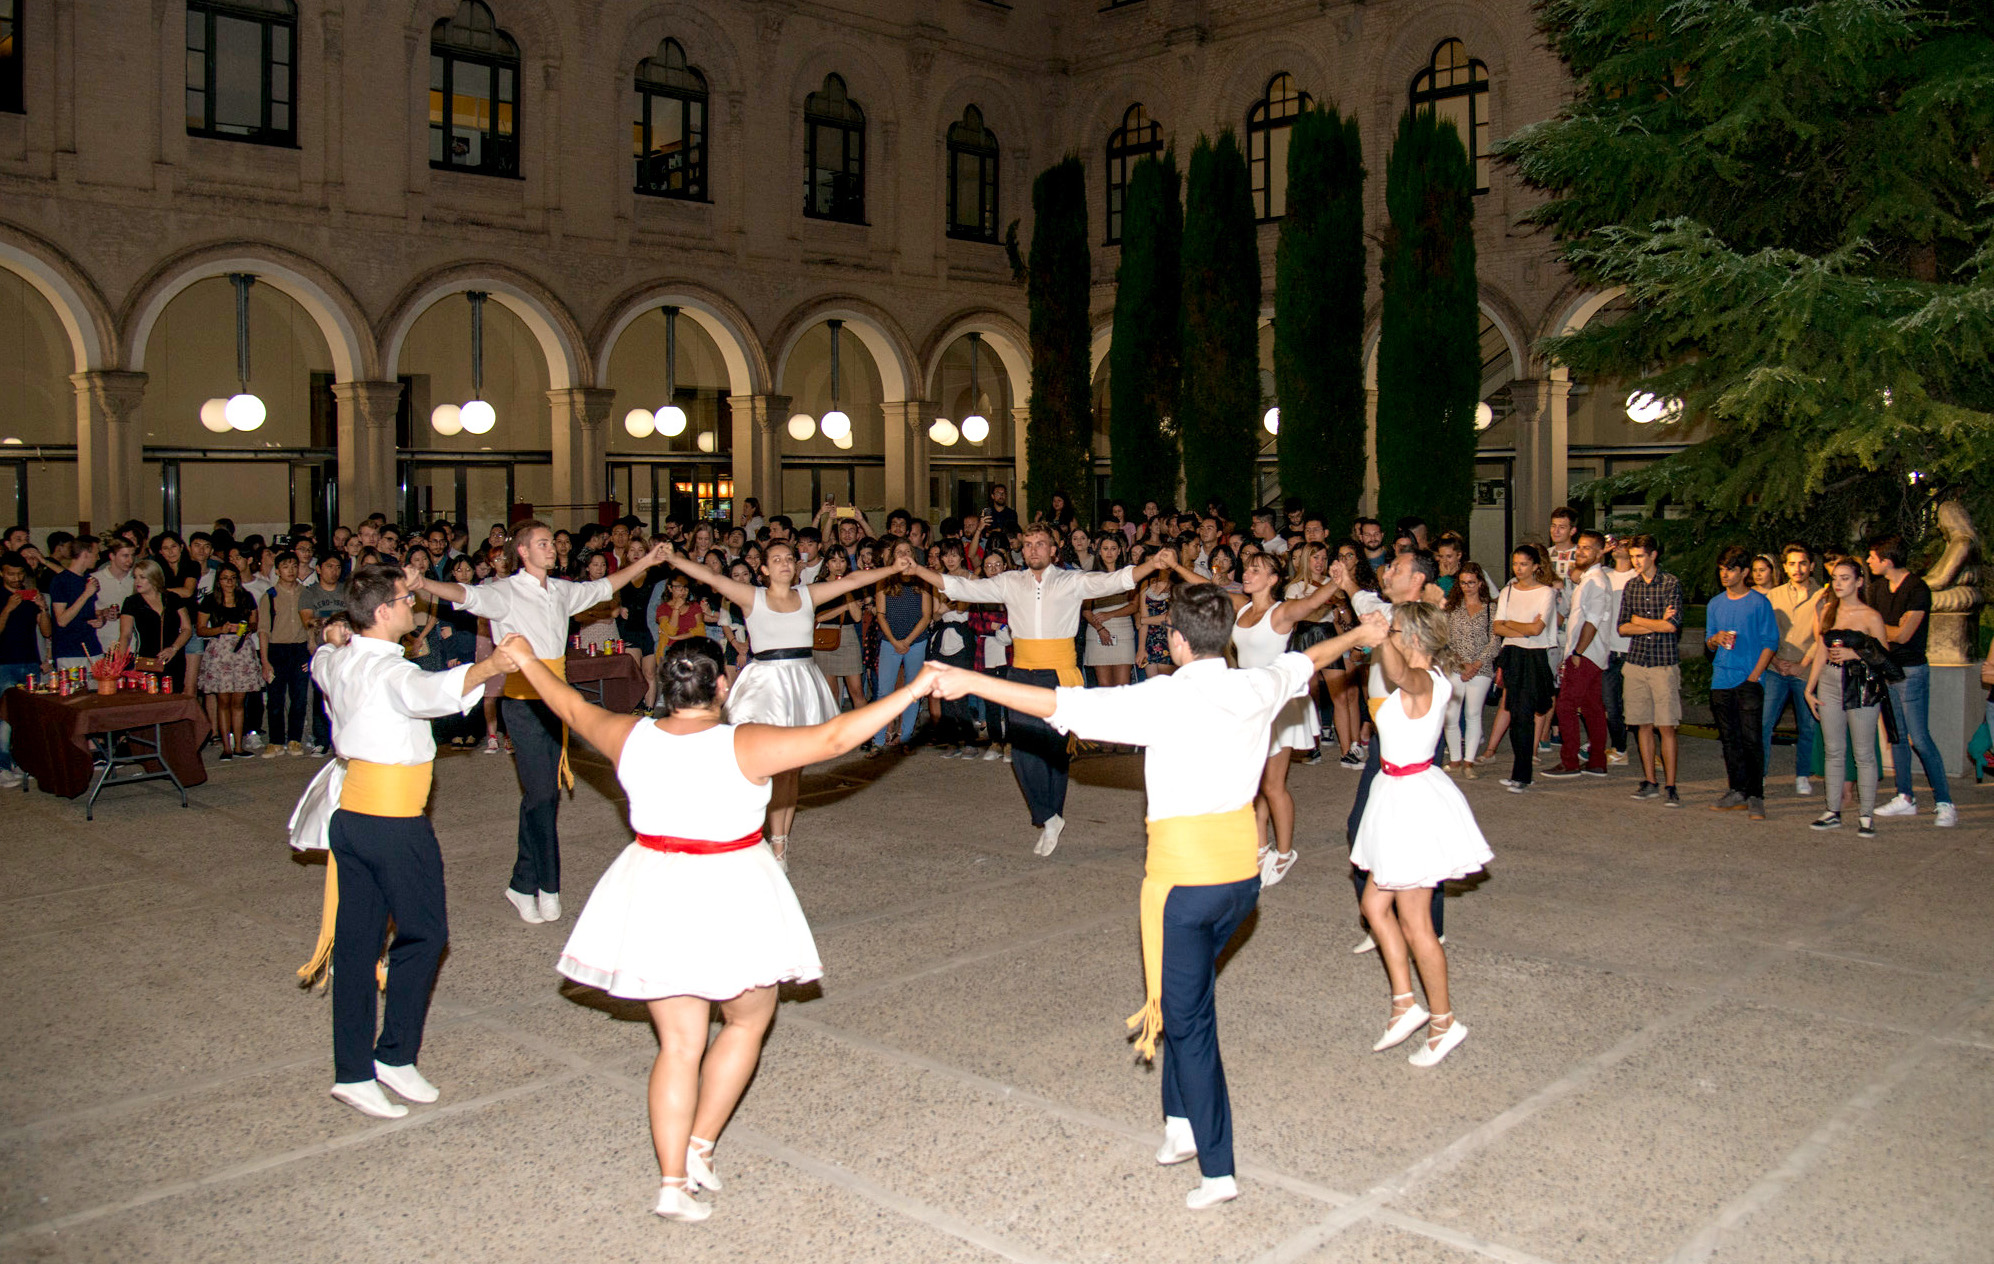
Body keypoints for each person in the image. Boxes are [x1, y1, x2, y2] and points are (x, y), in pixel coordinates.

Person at [928, 584, 1387, 1209]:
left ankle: (1218, 1169)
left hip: (1184, 883)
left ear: (1173, 640)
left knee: (1192, 1021)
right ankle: (1177, 1126)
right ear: (1225, 635)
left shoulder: (1160, 697)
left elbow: (1054, 701)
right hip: (1241, 881)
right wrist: (1361, 636)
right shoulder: (1256, 684)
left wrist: (974, 684)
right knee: (1182, 996)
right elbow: (1310, 659)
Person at [499, 637, 942, 1221]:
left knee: (679, 1045)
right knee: (748, 1018)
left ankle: (673, 1182)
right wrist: (913, 689)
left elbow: (571, 707)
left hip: (654, 884)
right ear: (722, 687)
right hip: (731, 885)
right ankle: (701, 1145)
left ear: (664, 688)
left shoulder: (631, 736)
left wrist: (527, 660)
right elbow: (835, 738)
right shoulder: (744, 742)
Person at [303, 564, 509, 1120]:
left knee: (357, 943)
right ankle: (391, 1055)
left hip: (354, 817)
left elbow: (320, 658)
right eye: (404, 598)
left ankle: (357, 1069)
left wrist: (329, 635)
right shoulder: (388, 673)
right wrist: (490, 665)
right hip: (394, 823)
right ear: (382, 612)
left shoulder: (341, 660)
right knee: (425, 933)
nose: (412, 603)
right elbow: (428, 692)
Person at [411, 523, 672, 924]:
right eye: (543, 543)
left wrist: (650, 562)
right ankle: (547, 885)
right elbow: (465, 595)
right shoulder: (505, 591)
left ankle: (521, 882)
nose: (551, 548)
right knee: (543, 797)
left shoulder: (562, 590)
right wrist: (424, 581)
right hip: (522, 701)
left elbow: (604, 588)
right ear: (523, 551)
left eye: (552, 543)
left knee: (539, 795)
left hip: (556, 700)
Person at [906, 527, 1172, 856]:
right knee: (1021, 752)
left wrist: (1153, 564)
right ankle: (1046, 815)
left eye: (1040, 544)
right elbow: (964, 587)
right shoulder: (1010, 581)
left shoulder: (1071, 581)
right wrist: (918, 570)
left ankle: (1053, 816)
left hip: (1059, 673)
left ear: (1053, 549)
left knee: (1054, 750)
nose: (1033, 550)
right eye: (1028, 544)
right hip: (1021, 671)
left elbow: (1116, 581)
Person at [651, 539, 906, 867]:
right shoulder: (752, 596)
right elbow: (713, 579)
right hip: (766, 685)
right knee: (763, 766)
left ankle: (780, 844)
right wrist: (674, 559)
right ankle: (742, 831)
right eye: (777, 559)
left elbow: (854, 581)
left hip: (801, 682)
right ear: (765, 569)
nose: (785, 563)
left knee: (791, 771)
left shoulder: (807, 595)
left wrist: (894, 568)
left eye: (789, 558)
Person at [1350, 601, 1492, 1068]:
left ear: (1412, 638)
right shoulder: (1420, 677)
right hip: (1395, 793)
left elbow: (1396, 673)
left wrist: (1380, 636)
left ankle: (1444, 1022)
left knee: (1416, 923)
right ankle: (1405, 1004)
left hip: (1411, 801)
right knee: (1374, 905)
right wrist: (1382, 633)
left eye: (1397, 629)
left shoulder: (1426, 680)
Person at [1864, 534, 1956, 827]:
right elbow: (1878, 629)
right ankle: (1905, 797)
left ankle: (1945, 802)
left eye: (1872, 557)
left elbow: (1904, 635)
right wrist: (1881, 630)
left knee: (1920, 737)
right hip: (1884, 670)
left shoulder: (1917, 588)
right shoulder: (1877, 589)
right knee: (1896, 736)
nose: (1868, 561)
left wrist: (1877, 629)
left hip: (1911, 672)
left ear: (1887, 560)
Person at [1806, 558, 1893, 838]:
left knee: (1864, 753)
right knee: (1833, 750)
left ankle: (1866, 815)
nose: (1838, 583)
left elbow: (1885, 657)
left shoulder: (1871, 616)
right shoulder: (1829, 611)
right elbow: (1821, 649)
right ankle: (1832, 810)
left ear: (1859, 581)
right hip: (1830, 683)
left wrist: (1856, 654)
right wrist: (1810, 688)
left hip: (1861, 684)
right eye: (1835, 578)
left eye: (1845, 578)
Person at [1704, 545, 1780, 818]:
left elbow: (1770, 641)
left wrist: (1754, 676)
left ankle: (1756, 794)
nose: (1725, 574)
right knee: (1729, 740)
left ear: (1744, 572)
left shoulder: (1759, 603)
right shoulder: (1715, 603)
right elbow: (1709, 642)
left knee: (1751, 739)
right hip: (1721, 679)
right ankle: (1737, 790)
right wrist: (1715, 639)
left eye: (1731, 569)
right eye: (1722, 569)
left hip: (1748, 679)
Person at [1617, 534, 1685, 808]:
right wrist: (1654, 622)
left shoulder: (1670, 584)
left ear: (1653, 555)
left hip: (1663, 663)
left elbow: (1672, 626)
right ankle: (1650, 780)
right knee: (1641, 724)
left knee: (1666, 726)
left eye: (1640, 556)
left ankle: (1670, 784)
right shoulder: (1631, 586)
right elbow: (1622, 627)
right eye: (1633, 556)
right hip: (1636, 662)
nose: (1636, 561)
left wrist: (1639, 621)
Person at [1489, 545, 1559, 792]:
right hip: (1513, 655)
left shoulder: (1546, 593)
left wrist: (1512, 624)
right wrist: (1519, 626)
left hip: (1535, 657)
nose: (1519, 569)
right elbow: (1498, 627)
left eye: (1524, 564)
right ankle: (1519, 773)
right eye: (1516, 564)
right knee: (1516, 714)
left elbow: (1537, 629)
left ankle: (1523, 774)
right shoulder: (1508, 591)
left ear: (1536, 566)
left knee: (1527, 714)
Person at [1543, 530, 1612, 780]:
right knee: (1593, 708)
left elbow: (1591, 622)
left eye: (1587, 548)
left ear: (1600, 552)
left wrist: (1577, 652)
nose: (1581, 552)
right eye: (1580, 548)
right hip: (1589, 654)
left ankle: (1570, 761)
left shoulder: (1596, 582)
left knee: (1566, 705)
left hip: (1586, 654)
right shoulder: (1589, 580)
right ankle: (1597, 762)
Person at [1761, 544, 1822, 796]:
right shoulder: (1773, 596)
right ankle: (1759, 774)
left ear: (1811, 566)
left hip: (1805, 671)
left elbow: (1823, 638)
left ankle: (1802, 775)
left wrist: (1801, 665)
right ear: (1785, 567)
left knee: (1807, 726)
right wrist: (1774, 661)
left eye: (1802, 563)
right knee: (1764, 722)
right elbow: (1765, 633)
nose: (1797, 569)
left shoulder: (1823, 596)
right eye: (1792, 564)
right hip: (1776, 668)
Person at [870, 539, 933, 750]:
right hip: (890, 642)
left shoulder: (923, 580)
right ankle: (879, 739)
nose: (904, 555)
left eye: (908, 551)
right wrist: (896, 641)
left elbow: (926, 616)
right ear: (892, 557)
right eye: (899, 552)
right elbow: (880, 615)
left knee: (912, 691)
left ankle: (905, 737)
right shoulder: (884, 580)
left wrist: (907, 641)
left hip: (916, 642)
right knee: (884, 692)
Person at [195, 563, 262, 760]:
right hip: (220, 650)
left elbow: (254, 623)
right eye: (225, 578)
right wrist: (220, 629)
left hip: (242, 649)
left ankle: (239, 746)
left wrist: (245, 628)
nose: (229, 582)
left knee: (239, 700)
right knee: (223, 700)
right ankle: (226, 747)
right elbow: (200, 629)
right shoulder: (210, 600)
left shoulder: (246, 597)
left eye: (233, 577)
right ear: (219, 580)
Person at [0, 552, 51, 789]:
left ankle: (22, 762)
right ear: (1, 573)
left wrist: (42, 610)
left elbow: (46, 632)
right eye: (11, 573)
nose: (16, 578)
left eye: (20, 573)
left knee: (27, 717)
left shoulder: (30, 595)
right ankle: (2, 766)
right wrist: (7, 609)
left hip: (30, 661)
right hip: (4, 663)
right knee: (4, 718)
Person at [1441, 563, 1497, 776]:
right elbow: (1445, 640)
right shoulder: (1452, 608)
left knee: (1473, 713)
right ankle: (1455, 759)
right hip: (1456, 666)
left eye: (1471, 582)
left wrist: (1476, 664)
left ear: (1480, 583)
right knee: (1451, 714)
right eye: (1463, 583)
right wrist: (1461, 662)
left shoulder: (1491, 608)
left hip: (1481, 669)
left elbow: (1495, 640)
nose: (1467, 587)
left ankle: (1469, 761)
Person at [258, 553, 312, 756]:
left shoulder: (306, 594)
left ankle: (295, 739)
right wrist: (265, 661)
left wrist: (311, 653)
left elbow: (311, 627)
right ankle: (275, 740)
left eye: (294, 566)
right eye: (285, 566)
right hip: (277, 649)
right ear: (277, 570)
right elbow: (263, 630)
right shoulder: (269, 596)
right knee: (275, 698)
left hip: (299, 649)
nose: (290, 570)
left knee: (299, 697)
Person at [117, 559, 193, 691]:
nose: (137, 582)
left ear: (154, 578)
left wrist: (173, 648)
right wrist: (119, 663)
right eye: (135, 577)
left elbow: (187, 629)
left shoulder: (173, 598)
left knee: (174, 700)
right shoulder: (132, 602)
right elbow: (125, 635)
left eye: (142, 577)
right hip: (146, 660)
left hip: (173, 658)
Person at [810, 549, 866, 712]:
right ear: (827, 563)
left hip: (847, 636)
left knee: (857, 690)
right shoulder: (819, 585)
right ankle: (835, 731)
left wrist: (846, 589)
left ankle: (863, 733)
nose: (838, 565)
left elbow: (856, 617)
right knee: (831, 692)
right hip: (824, 637)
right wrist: (842, 607)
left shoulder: (852, 583)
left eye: (842, 561)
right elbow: (818, 618)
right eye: (833, 561)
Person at [1083, 534, 1141, 688]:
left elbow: (1134, 605)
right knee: (1104, 686)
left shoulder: (1128, 574)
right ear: (1099, 551)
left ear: (1120, 551)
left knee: (1123, 686)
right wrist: (1100, 628)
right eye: (1105, 548)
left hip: (1123, 630)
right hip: (1097, 630)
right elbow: (1085, 609)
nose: (1109, 553)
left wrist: (1110, 614)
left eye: (1113, 549)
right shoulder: (1090, 576)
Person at [49, 536, 104, 670]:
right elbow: (62, 620)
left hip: (92, 647)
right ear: (85, 554)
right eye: (96, 554)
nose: (98, 558)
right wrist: (86, 594)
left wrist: (100, 619)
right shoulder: (60, 581)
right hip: (70, 651)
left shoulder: (90, 580)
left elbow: (89, 612)